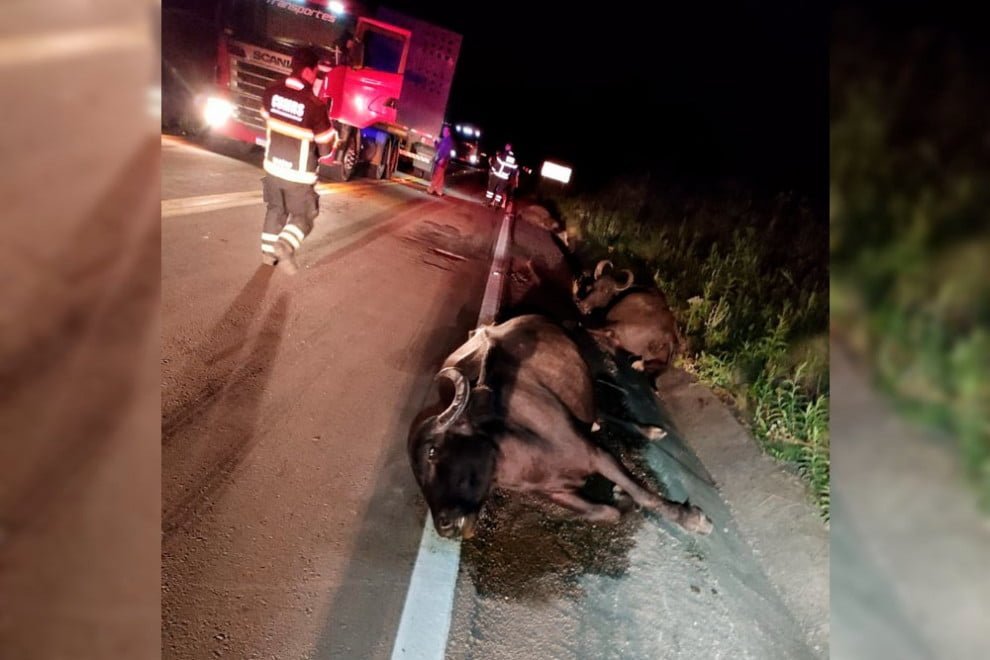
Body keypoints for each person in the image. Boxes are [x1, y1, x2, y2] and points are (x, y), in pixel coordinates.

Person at [259, 47, 338, 274]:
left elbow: (266, 117)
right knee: (305, 215)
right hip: (298, 175)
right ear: (307, 71)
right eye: (315, 72)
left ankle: (267, 255)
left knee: (275, 209)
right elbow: (324, 148)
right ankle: (285, 245)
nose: (315, 77)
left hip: (272, 166)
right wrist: (334, 139)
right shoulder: (315, 105)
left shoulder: (271, 90)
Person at [485, 143, 519, 208]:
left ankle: (487, 202)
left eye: (507, 146)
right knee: (500, 191)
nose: (505, 147)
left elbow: (497, 164)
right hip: (505, 178)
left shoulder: (503, 155)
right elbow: (514, 169)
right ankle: (497, 204)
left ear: (508, 147)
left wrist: (492, 169)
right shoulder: (514, 159)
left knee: (491, 189)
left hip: (497, 175)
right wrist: (510, 176)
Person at [427, 125, 456, 196]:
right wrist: (435, 142)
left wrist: (443, 159)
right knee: (440, 175)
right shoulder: (444, 139)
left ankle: (431, 189)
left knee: (438, 174)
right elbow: (438, 148)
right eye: (443, 131)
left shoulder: (449, 141)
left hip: (443, 160)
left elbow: (447, 151)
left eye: (445, 131)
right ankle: (439, 191)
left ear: (448, 132)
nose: (443, 132)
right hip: (439, 159)